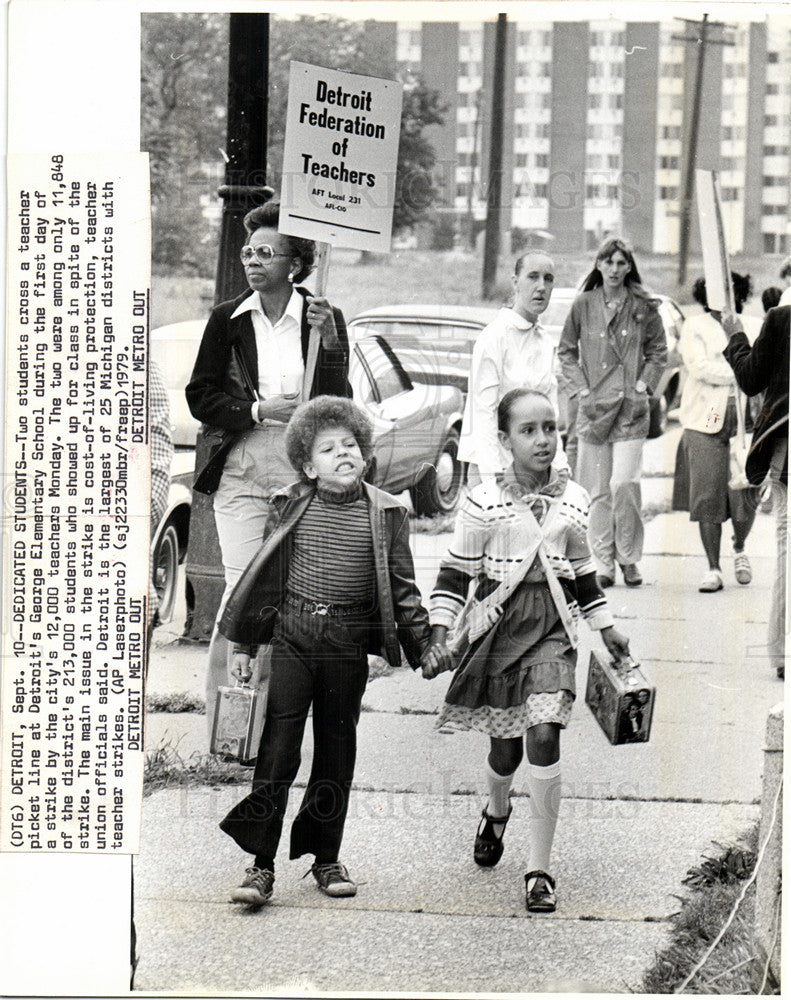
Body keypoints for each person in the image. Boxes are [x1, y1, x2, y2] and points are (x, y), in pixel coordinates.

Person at [216, 396, 432, 906]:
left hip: (346, 644)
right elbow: (264, 578)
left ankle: (326, 857)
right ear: (308, 466)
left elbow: (404, 589)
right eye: (328, 448)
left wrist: (423, 647)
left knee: (337, 750)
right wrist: (246, 642)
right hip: (292, 637)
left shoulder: (387, 513)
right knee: (279, 749)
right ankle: (260, 866)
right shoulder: (290, 504)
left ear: (366, 452)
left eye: (351, 444)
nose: (343, 453)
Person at [422, 388, 630, 913]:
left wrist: (605, 628)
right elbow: (456, 573)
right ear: (503, 440)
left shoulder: (576, 499)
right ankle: (496, 811)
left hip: (554, 632)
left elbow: (583, 573)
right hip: (498, 633)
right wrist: (442, 632)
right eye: (527, 430)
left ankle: (539, 869)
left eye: (549, 429)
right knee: (505, 750)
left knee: (542, 735)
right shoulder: (483, 501)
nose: (542, 440)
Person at [185, 200, 351, 737]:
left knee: (291, 598)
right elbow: (200, 396)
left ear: (295, 263)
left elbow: (337, 403)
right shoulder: (226, 320)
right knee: (241, 594)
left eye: (265, 252)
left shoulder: (324, 317)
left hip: (299, 475)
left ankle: (276, 729)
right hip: (241, 468)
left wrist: (330, 347)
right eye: (248, 252)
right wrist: (256, 410)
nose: (253, 261)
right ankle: (229, 729)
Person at [558, 237, 667, 589]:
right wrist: (582, 390)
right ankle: (602, 562)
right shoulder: (583, 305)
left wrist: (643, 387)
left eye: (622, 263)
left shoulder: (643, 307)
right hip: (593, 411)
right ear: (599, 265)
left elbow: (658, 351)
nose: (615, 270)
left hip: (630, 412)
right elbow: (566, 352)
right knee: (597, 490)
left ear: (629, 266)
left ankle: (629, 559)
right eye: (609, 263)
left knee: (624, 484)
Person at [671, 274, 759, 593]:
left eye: (730, 289)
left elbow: (761, 369)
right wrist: (742, 370)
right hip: (707, 417)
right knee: (708, 495)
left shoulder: (753, 325)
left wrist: (745, 372)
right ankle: (713, 567)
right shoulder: (695, 326)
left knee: (745, 495)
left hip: (746, 423)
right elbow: (699, 368)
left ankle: (739, 548)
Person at [458, 249, 568, 485]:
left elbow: (551, 415)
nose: (541, 286)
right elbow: (483, 414)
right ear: (516, 282)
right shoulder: (494, 338)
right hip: (493, 467)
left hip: (534, 469)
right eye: (533, 277)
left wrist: (559, 465)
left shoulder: (546, 342)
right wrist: (495, 476)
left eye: (548, 279)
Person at [723, 304, 790, 679]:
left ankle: (781, 654)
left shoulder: (782, 319)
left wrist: (735, 337)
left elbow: (751, 379)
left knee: (786, 549)